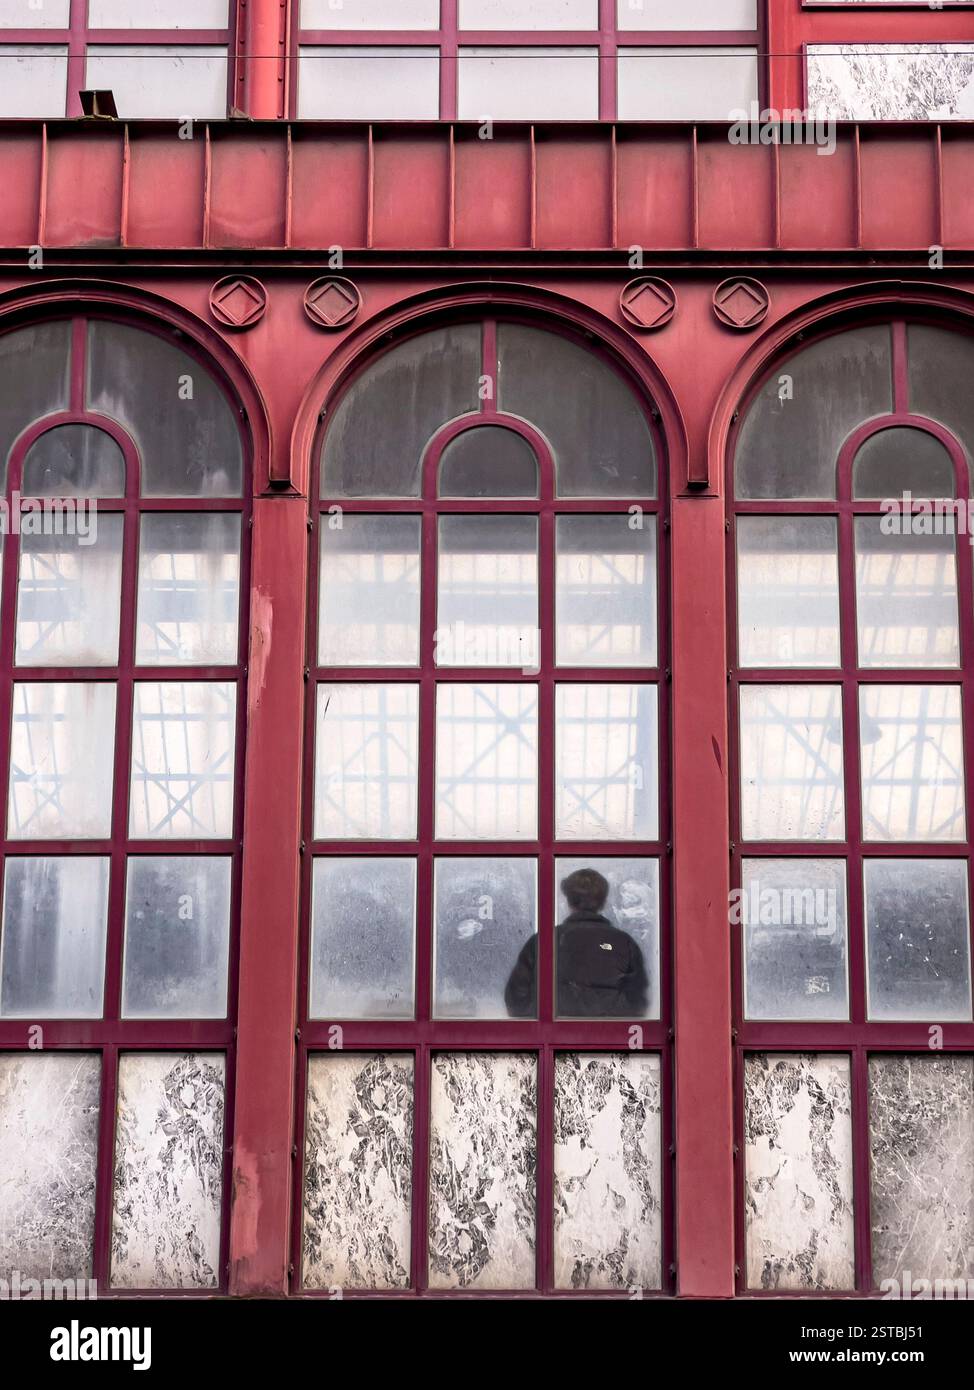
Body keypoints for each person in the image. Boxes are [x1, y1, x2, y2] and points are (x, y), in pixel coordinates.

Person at [504, 867, 649, 1018]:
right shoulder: (624, 943)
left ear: (569, 901)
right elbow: (637, 1000)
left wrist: (545, 1023)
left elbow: (517, 998)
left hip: (553, 1036)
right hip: (608, 1037)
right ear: (603, 902)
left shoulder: (543, 940)